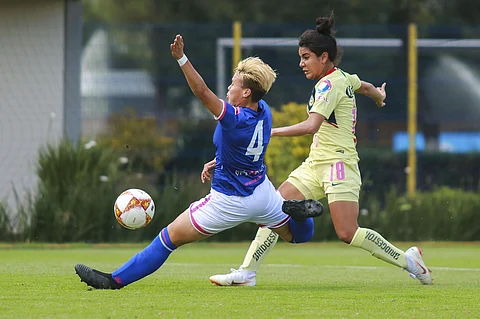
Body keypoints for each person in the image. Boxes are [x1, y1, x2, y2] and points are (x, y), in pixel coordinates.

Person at [74, 34, 323, 289]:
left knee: (167, 238)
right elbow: (245, 148)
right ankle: (299, 212)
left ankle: (114, 280)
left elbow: (201, 91)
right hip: (262, 195)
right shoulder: (264, 111)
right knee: (299, 235)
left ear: (246, 92)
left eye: (233, 84)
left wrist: (181, 58)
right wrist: (219, 161)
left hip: (227, 201)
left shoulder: (234, 118)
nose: (228, 89)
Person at [209, 12, 433, 287]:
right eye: (301, 56)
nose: (301, 63)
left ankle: (411, 262)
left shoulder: (328, 84)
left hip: (340, 163)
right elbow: (360, 84)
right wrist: (378, 94)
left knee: (347, 232)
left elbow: (311, 125)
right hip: (315, 163)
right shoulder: (341, 78)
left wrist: (271, 132)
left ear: (323, 57)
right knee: (274, 209)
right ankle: (247, 272)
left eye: (306, 57)